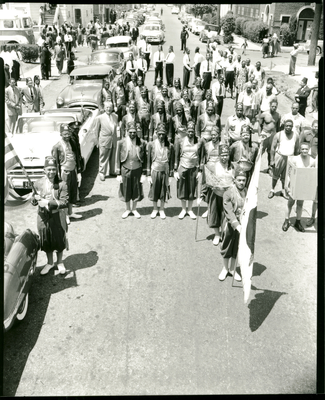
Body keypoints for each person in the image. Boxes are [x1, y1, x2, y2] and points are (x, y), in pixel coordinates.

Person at [31, 156, 68, 275]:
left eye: (53, 169)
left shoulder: (62, 184)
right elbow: (33, 200)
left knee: (59, 240)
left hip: (57, 216)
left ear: (56, 170)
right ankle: (50, 262)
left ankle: (60, 262)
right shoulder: (37, 183)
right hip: (43, 217)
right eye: (49, 169)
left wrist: (47, 202)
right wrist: (35, 200)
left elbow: (64, 202)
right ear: (44, 170)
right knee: (46, 239)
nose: (51, 172)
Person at [198, 143, 234, 245]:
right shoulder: (212, 167)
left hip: (228, 197)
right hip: (216, 195)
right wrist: (202, 195)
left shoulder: (233, 167)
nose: (224, 157)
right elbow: (205, 182)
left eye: (226, 155)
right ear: (219, 156)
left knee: (227, 216)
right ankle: (217, 234)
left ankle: (225, 234)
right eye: (222, 155)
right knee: (215, 216)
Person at [218, 169, 247, 281]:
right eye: (239, 180)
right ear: (234, 180)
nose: (241, 182)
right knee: (227, 246)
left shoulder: (247, 192)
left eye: (243, 180)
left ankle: (232, 269)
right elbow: (229, 211)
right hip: (230, 225)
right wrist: (236, 224)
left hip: (242, 224)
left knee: (236, 247)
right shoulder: (228, 193)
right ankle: (225, 268)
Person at [51, 124, 82, 223]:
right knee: (65, 194)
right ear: (61, 134)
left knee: (73, 192)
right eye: (65, 134)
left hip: (73, 171)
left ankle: (70, 212)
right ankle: (65, 215)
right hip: (64, 172)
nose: (67, 136)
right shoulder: (57, 146)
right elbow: (55, 164)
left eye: (68, 133)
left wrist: (78, 172)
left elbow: (76, 156)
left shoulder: (71, 142)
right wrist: (56, 179)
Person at [282, 142, 316, 232]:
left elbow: (313, 175)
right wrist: (287, 185)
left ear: (308, 149)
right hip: (294, 185)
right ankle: (286, 220)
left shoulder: (312, 160)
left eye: (306, 149)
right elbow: (289, 173)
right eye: (302, 149)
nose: (304, 151)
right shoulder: (295, 159)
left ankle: (298, 221)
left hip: (303, 186)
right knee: (290, 203)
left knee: (300, 204)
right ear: (300, 149)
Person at [116, 121, 147, 219]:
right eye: (130, 132)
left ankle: (134, 209)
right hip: (125, 169)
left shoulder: (142, 142)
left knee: (136, 190)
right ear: (127, 131)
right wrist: (118, 173)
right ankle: (127, 209)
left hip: (137, 169)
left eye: (134, 132)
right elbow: (117, 158)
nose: (133, 134)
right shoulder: (121, 142)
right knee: (126, 190)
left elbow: (145, 159)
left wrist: (144, 173)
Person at [174, 121, 203, 219]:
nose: (190, 133)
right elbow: (176, 156)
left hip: (193, 168)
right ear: (186, 131)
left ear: (194, 132)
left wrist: (199, 171)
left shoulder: (199, 141)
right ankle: (183, 209)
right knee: (182, 189)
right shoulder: (181, 141)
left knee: (191, 189)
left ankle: (190, 209)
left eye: (192, 132)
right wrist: (175, 171)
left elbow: (201, 156)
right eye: (189, 131)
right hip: (183, 167)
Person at [147, 123, 174, 219]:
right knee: (154, 190)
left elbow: (172, 161)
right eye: (159, 134)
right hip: (155, 170)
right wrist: (148, 175)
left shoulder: (170, 145)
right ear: (156, 133)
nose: (161, 136)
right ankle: (155, 208)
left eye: (163, 134)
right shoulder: (151, 144)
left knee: (163, 190)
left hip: (165, 171)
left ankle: (162, 209)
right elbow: (148, 160)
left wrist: (171, 175)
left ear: (166, 134)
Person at [269, 119, 300, 200]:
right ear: (284, 126)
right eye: (287, 126)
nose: (288, 127)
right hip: (280, 156)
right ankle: (272, 190)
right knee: (275, 175)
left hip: (290, 158)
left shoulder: (296, 135)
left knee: (286, 177)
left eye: (290, 126)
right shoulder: (278, 135)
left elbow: (297, 149)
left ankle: (283, 191)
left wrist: (296, 161)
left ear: (292, 127)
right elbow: (272, 148)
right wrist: (272, 160)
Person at [94, 101, 118, 181]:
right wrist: (97, 142)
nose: (108, 109)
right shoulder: (99, 118)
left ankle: (112, 171)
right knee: (103, 157)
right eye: (107, 107)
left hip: (113, 140)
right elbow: (96, 131)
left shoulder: (115, 116)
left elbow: (116, 128)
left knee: (113, 157)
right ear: (104, 108)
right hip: (104, 140)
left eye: (110, 107)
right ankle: (102, 173)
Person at [259, 99, 281, 169]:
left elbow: (278, 127)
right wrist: (259, 134)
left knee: (271, 151)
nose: (274, 108)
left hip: (273, 135)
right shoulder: (264, 114)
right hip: (265, 133)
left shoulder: (278, 115)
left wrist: (277, 137)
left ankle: (269, 168)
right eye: (272, 106)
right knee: (260, 151)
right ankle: (255, 166)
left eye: (275, 107)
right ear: (270, 106)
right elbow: (259, 125)